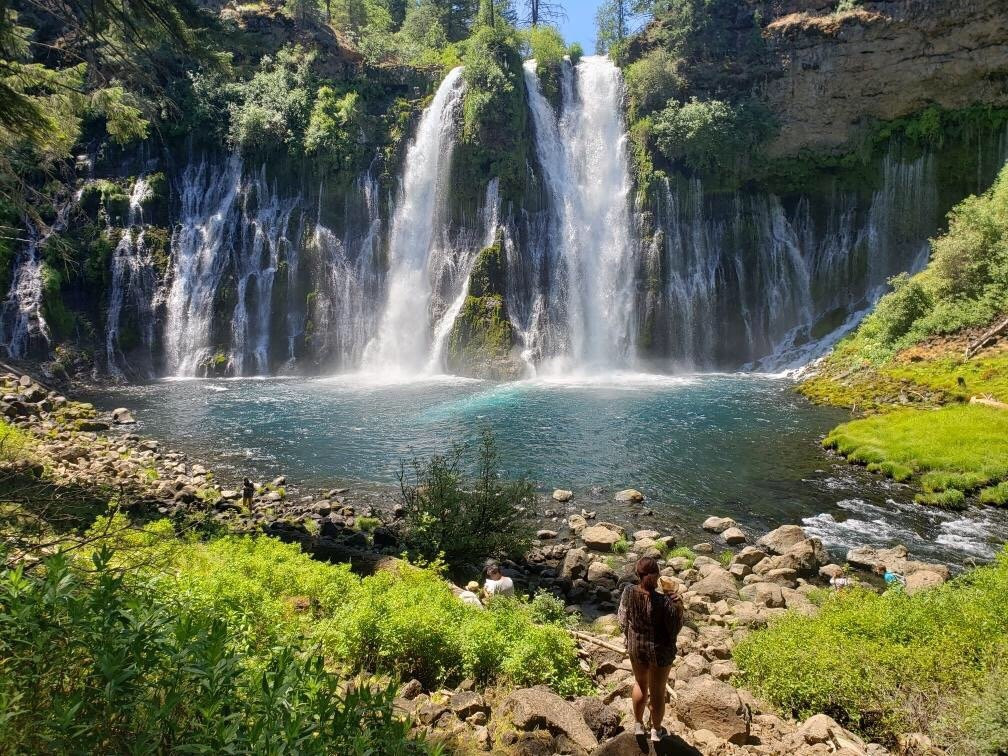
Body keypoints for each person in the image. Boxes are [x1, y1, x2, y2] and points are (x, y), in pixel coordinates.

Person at [618, 557, 684, 742]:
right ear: (657, 576)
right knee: (658, 692)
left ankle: (638, 725)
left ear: (638, 574)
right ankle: (656, 731)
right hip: (660, 652)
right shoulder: (665, 601)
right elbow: (675, 629)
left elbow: (622, 621)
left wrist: (630, 637)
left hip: (636, 647)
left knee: (640, 684)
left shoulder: (628, 592)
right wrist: (679, 607)